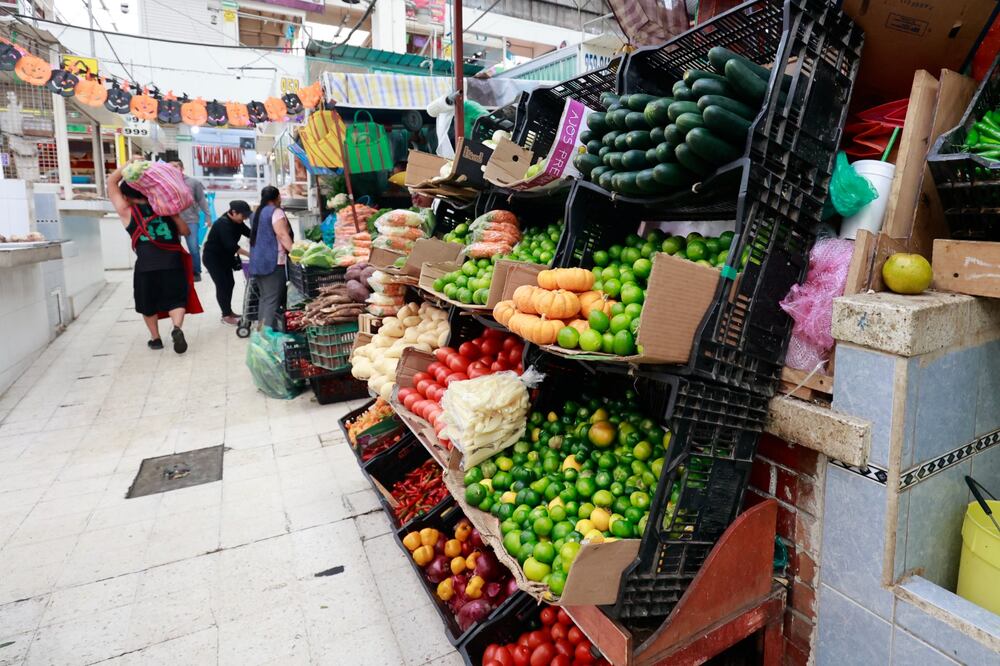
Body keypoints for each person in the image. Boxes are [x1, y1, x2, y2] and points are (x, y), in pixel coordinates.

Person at [108, 165, 202, 353]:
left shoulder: (127, 211)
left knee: (147, 303)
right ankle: (176, 328)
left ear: (126, 196)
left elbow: (111, 182)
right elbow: (186, 232)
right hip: (172, 261)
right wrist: (175, 216)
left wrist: (129, 164)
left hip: (146, 264)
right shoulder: (164, 208)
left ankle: (156, 339)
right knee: (176, 299)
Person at [248, 186, 293, 330]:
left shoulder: (256, 213)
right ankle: (266, 335)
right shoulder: (276, 212)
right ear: (277, 197)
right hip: (272, 262)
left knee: (265, 298)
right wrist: (296, 254)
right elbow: (282, 234)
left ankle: (261, 331)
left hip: (257, 261)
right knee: (272, 300)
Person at [202, 200, 252, 325]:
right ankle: (225, 316)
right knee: (223, 285)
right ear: (234, 212)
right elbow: (231, 246)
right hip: (213, 258)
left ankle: (229, 312)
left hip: (225, 258)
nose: (244, 219)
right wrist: (250, 255)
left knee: (230, 283)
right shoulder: (222, 224)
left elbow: (250, 233)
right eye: (243, 216)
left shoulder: (237, 222)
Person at [171, 161, 211, 282]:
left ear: (182, 168)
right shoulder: (166, 182)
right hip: (172, 220)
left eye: (175, 166)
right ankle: (177, 271)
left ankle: (196, 272)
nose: (173, 169)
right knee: (174, 248)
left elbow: (202, 200)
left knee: (193, 248)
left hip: (191, 220)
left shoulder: (193, 182)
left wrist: (208, 216)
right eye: (170, 167)